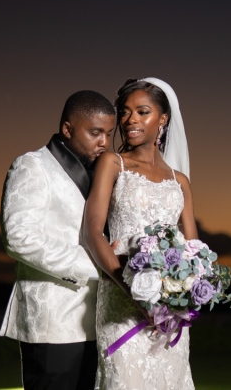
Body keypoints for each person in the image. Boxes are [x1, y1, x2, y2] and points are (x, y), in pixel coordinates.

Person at [83, 77, 197, 390]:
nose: (130, 119)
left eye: (142, 111)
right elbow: (92, 231)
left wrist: (180, 295)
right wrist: (136, 294)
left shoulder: (181, 181)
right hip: (121, 302)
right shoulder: (112, 163)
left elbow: (194, 249)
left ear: (163, 119)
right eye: (125, 112)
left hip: (168, 314)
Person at [0, 90, 117, 390]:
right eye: (95, 133)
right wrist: (98, 267)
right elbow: (19, 238)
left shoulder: (103, 173)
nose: (104, 142)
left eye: (108, 134)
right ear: (67, 129)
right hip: (51, 322)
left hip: (98, 320)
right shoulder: (31, 165)